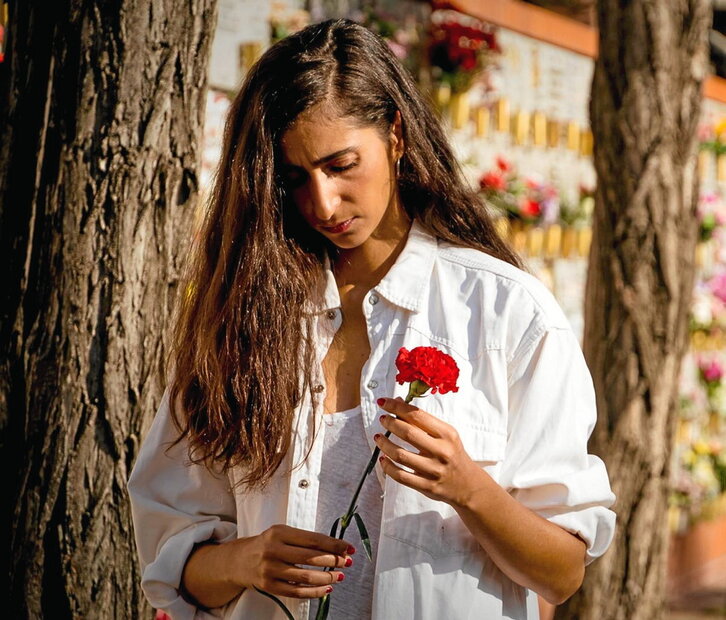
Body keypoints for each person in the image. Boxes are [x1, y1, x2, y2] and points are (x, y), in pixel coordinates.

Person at [127, 18, 616, 620]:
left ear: (397, 137)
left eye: (340, 165)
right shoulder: (242, 321)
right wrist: (244, 560)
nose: (322, 203)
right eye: (293, 177)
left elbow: (562, 573)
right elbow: (170, 559)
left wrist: (470, 488)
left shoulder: (508, 313)